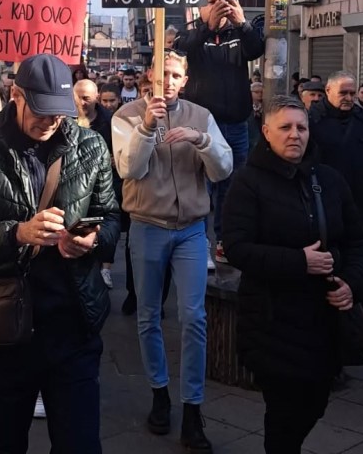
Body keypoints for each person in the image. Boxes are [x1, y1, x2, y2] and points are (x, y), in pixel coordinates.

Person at [0, 54, 119, 454]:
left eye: (60, 114)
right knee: (2, 442)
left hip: (73, 323)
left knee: (80, 444)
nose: (51, 122)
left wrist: (92, 240)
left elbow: (113, 218)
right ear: (16, 97)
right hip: (4, 329)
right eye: (42, 112)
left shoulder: (91, 146)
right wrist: (19, 233)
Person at [223, 95, 363, 454]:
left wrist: (351, 283)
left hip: (323, 319)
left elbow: (358, 240)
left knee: (315, 401)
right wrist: (298, 262)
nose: (295, 135)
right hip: (272, 319)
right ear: (266, 132)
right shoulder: (247, 183)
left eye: (301, 127)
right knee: (284, 413)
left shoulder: (329, 179)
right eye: (285, 128)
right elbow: (238, 247)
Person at [112, 51, 232, 450]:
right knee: (148, 315)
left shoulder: (201, 115)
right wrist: (146, 127)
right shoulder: (126, 115)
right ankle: (159, 390)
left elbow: (223, 169)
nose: (168, 80)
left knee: (194, 317)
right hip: (147, 226)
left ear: (185, 79)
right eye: (162, 74)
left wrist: (203, 142)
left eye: (176, 74)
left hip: (191, 230)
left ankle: (193, 406)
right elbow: (129, 169)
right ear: (150, 76)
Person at [176, 0, 265, 267]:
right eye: (212, 2)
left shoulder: (239, 34)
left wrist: (243, 22)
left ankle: (225, 242)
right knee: (200, 186)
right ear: (200, 8)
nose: (220, 7)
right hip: (201, 126)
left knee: (232, 187)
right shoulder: (192, 36)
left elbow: (257, 48)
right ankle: (199, 243)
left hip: (235, 125)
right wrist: (207, 27)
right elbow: (184, 48)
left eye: (225, 2)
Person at [308, 71, 363, 311]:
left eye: (352, 93)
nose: (349, 98)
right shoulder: (312, 122)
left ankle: (361, 299)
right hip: (326, 204)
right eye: (343, 93)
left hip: (361, 204)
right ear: (328, 92)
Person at [74, 79, 117, 289]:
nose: (81, 103)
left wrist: (113, 159)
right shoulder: (67, 119)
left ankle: (105, 268)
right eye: (77, 97)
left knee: (101, 225)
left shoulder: (110, 120)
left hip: (104, 183)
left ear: (95, 98)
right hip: (76, 184)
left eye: (86, 98)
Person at [248, 81, 264, 149]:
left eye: (262, 92)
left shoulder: (266, 105)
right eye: (256, 92)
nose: (260, 94)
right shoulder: (247, 106)